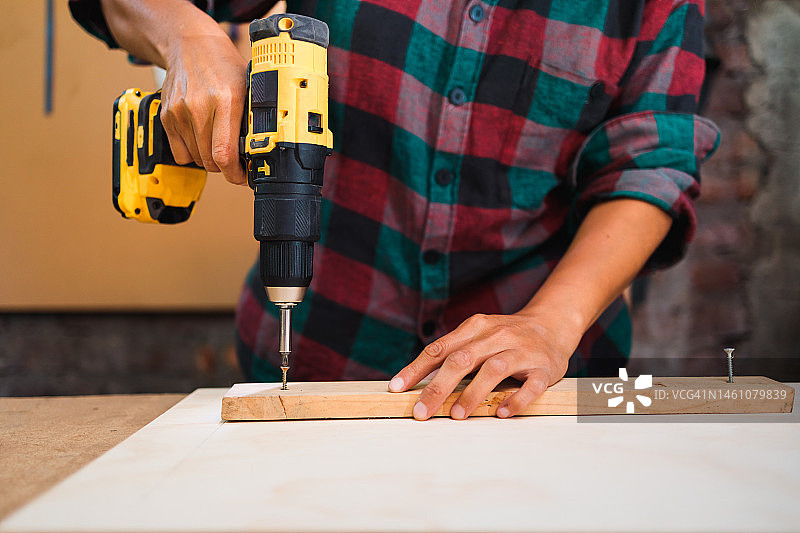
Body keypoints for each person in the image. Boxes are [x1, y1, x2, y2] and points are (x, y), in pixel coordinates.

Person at [70, 0, 719, 420]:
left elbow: (648, 162)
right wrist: (187, 36)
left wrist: (550, 324)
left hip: (525, 398)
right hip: (319, 357)